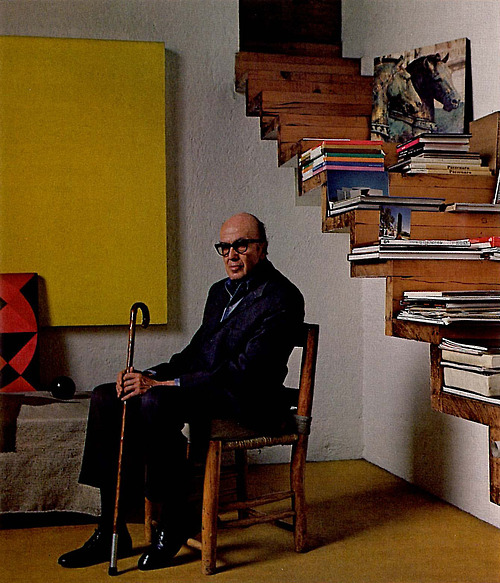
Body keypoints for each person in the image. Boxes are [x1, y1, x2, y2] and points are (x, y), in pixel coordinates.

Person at [58, 212, 305, 571]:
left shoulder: (283, 297)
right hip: (210, 390)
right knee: (107, 396)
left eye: (241, 245)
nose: (231, 255)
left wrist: (162, 386)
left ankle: (174, 518)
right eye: (224, 247)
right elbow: (194, 355)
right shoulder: (219, 292)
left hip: (249, 399)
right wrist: (148, 374)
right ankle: (111, 528)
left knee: (156, 400)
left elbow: (245, 373)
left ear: (262, 248)